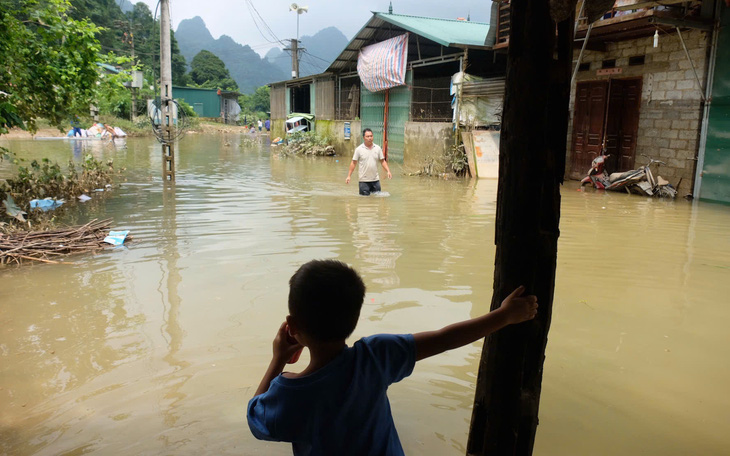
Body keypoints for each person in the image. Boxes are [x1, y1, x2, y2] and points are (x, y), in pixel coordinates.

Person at [248, 259, 538, 456]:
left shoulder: (290, 395)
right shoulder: (375, 357)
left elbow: (255, 417)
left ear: (292, 326)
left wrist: (278, 360)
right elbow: (445, 338)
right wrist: (504, 316)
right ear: (355, 316)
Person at [346, 128, 392, 195]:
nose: (370, 138)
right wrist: (349, 176)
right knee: (364, 201)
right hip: (363, 181)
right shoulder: (359, 149)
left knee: (377, 201)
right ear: (364, 137)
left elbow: (382, 161)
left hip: (375, 180)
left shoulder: (378, 148)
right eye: (368, 136)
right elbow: (353, 163)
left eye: (371, 136)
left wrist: (388, 171)